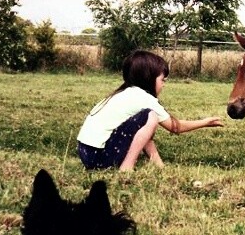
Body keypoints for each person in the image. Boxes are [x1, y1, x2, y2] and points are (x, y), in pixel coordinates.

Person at [77, 50, 223, 171]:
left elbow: (141, 133)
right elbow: (175, 127)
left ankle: (157, 163)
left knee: (143, 122)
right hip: (99, 157)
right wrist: (205, 122)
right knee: (150, 117)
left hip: (86, 153)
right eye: (162, 80)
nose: (164, 85)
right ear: (148, 78)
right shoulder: (145, 98)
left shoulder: (124, 93)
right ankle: (126, 167)